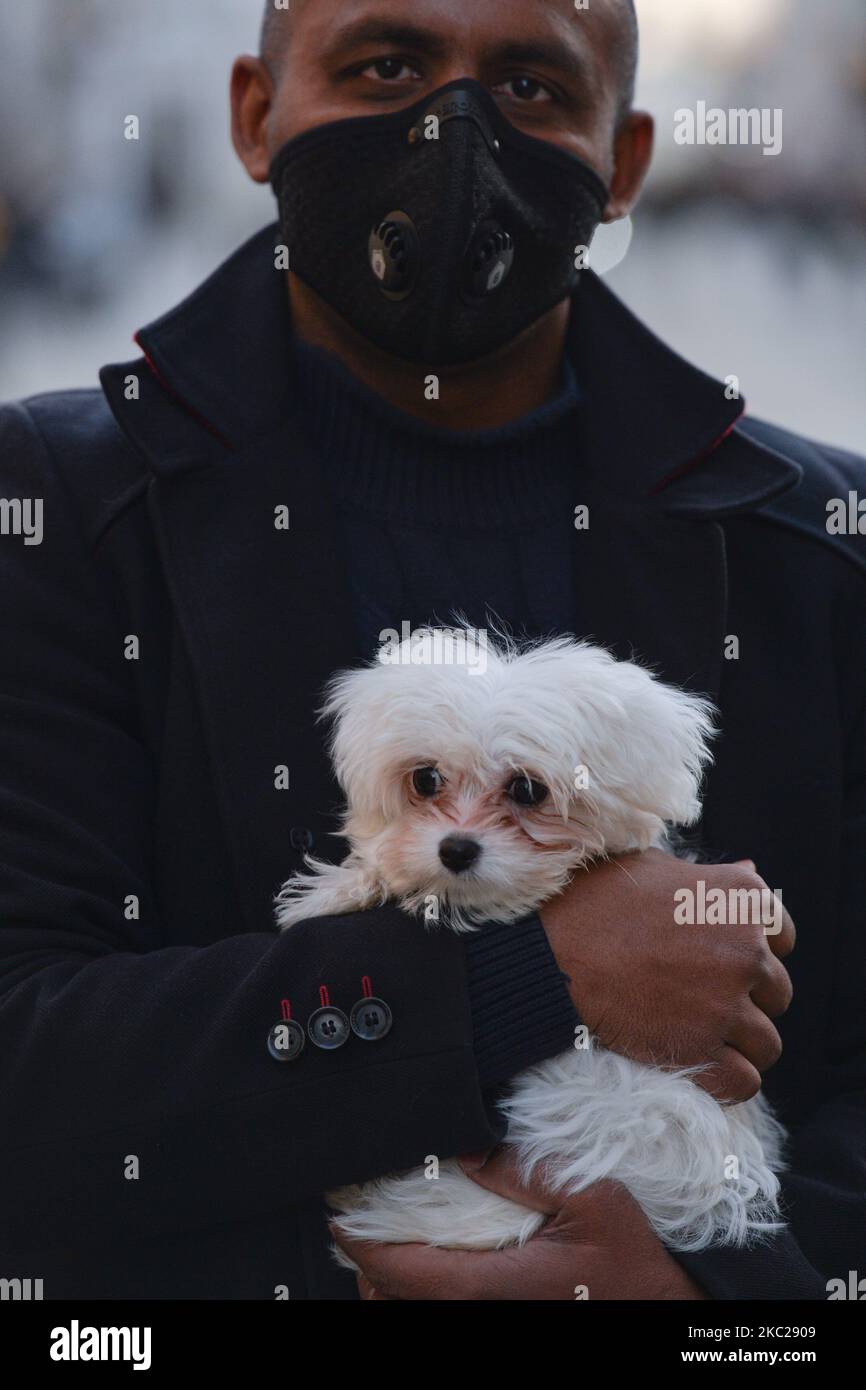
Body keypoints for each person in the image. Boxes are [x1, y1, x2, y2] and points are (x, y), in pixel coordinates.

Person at [0, 0, 862, 1301]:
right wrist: (530, 973)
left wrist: (725, 1308)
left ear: (619, 161)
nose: (449, 130)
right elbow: (31, 1068)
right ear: (255, 112)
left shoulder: (820, 555)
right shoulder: (57, 513)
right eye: (385, 65)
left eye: (528, 86)